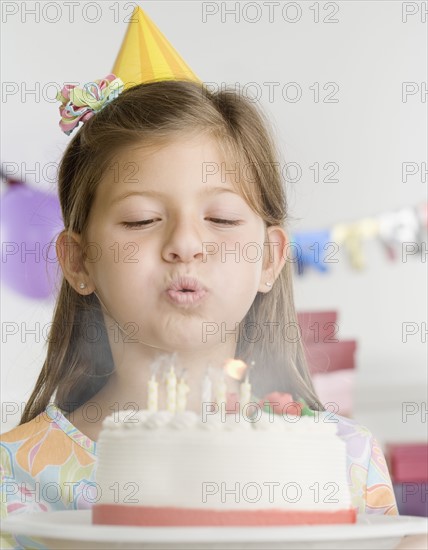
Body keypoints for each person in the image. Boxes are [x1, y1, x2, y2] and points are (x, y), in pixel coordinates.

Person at [1, 79, 398, 549]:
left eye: (222, 219)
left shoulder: (343, 459)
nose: (186, 245)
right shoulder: (15, 475)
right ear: (78, 261)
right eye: (142, 220)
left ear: (269, 259)